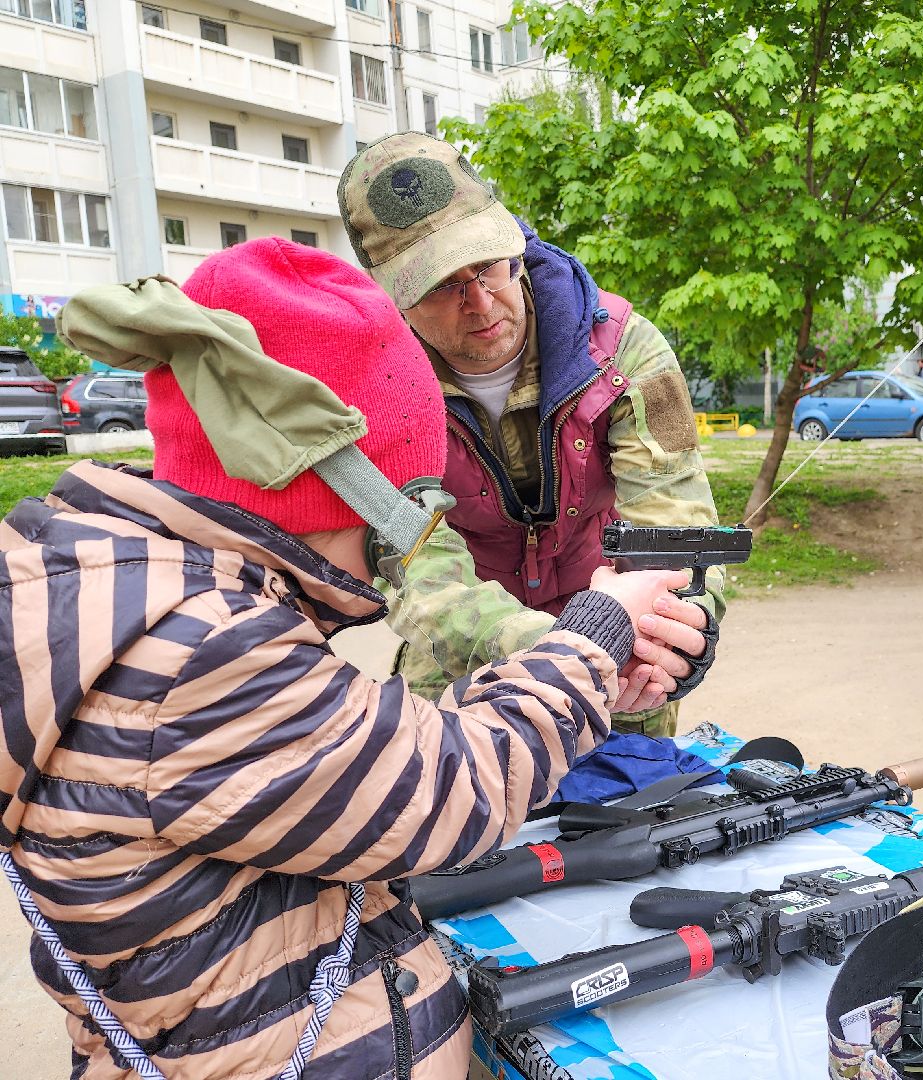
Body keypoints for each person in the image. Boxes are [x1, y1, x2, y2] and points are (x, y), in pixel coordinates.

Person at [0, 239, 704, 1078]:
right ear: (337, 485)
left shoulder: (111, 576)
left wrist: (564, 667)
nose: (401, 541)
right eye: (412, 499)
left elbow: (347, 750)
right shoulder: (204, 649)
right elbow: (450, 788)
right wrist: (592, 633)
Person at [338, 133, 725, 735]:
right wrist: (567, 652)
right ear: (394, 298)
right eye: (442, 284)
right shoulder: (370, 397)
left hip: (627, 666)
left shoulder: (625, 351)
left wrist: (682, 635)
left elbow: (677, 525)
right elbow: (422, 572)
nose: (481, 300)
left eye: (489, 264)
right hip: (463, 665)